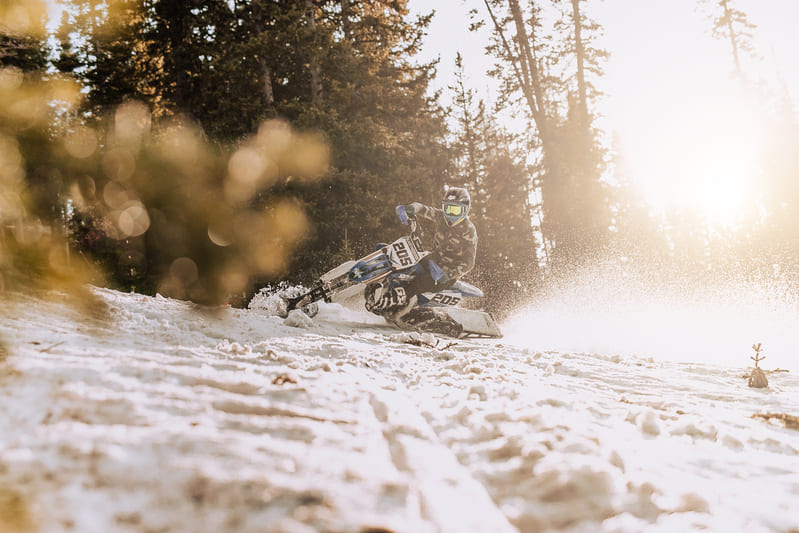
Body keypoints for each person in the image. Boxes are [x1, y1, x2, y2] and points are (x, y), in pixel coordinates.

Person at [365, 186, 478, 319]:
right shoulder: (441, 217)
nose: (451, 214)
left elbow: (469, 262)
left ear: (465, 209)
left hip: (445, 273)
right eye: (448, 208)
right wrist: (411, 208)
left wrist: (452, 273)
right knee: (403, 263)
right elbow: (424, 209)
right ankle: (379, 280)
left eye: (456, 209)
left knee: (418, 283)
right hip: (431, 260)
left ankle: (388, 300)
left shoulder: (468, 230)